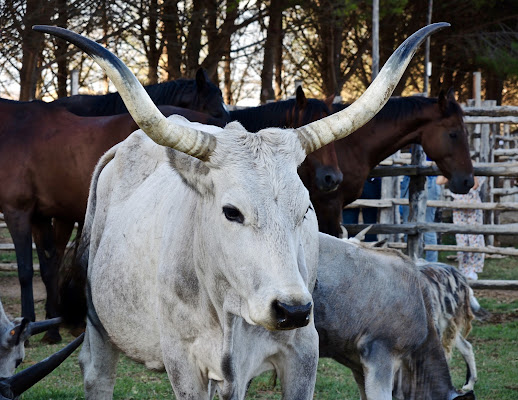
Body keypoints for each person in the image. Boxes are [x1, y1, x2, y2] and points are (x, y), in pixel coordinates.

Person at [437, 175, 486, 280]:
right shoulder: (454, 169)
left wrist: (470, 173)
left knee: (474, 237)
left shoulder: (473, 167)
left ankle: (473, 268)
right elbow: (439, 181)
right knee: (461, 237)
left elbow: (475, 185)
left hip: (472, 204)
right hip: (458, 205)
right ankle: (464, 268)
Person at [400, 175, 440, 262]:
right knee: (408, 225)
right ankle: (412, 261)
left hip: (428, 178)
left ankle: (430, 264)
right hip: (409, 180)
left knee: (427, 226)